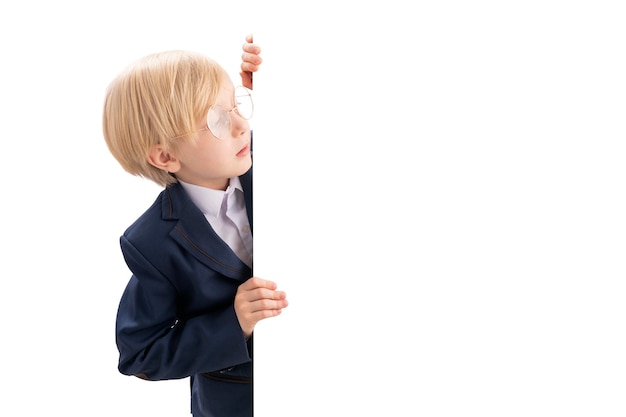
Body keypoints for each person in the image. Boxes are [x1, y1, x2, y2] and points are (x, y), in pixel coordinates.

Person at [102, 35, 288, 417]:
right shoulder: (151, 242)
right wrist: (233, 323)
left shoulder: (265, 163)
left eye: (236, 105)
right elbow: (139, 353)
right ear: (166, 155)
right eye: (216, 119)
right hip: (239, 403)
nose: (240, 125)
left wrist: (280, 79)